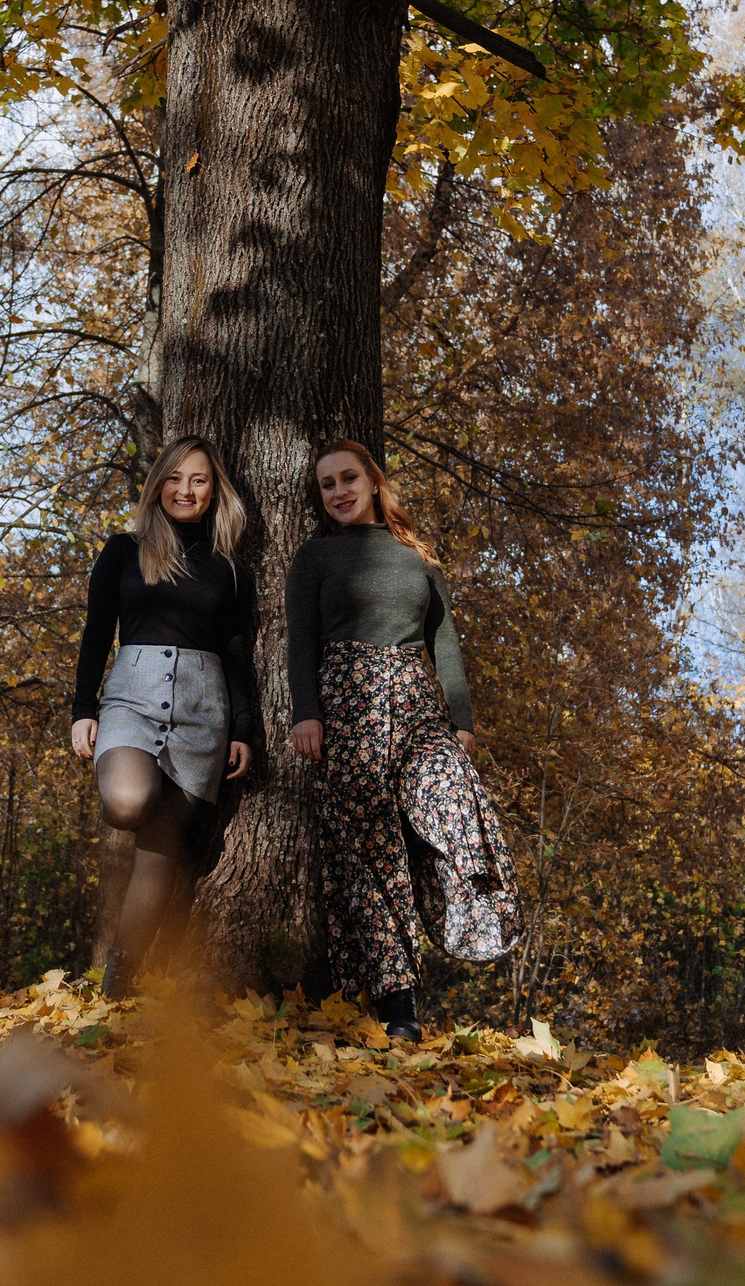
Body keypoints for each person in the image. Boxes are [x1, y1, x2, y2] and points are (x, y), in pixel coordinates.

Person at [287, 439, 518, 1041]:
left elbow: (445, 644)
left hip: (417, 705)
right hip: (345, 704)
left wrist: (462, 723)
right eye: (327, 485)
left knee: (455, 806)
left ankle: (477, 920)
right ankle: (399, 1006)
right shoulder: (314, 557)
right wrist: (306, 714)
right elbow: (300, 643)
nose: (338, 492)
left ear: (373, 482)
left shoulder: (419, 557)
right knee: (371, 855)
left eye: (348, 480)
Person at [70, 435, 258, 996]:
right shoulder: (123, 551)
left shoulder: (229, 570)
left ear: (214, 490)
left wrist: (244, 730)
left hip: (205, 714)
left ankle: (118, 982)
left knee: (160, 850)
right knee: (129, 802)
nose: (185, 490)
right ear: (157, 487)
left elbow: (237, 653)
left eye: (198, 480)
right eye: (174, 478)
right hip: (131, 700)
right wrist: (83, 708)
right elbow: (96, 634)